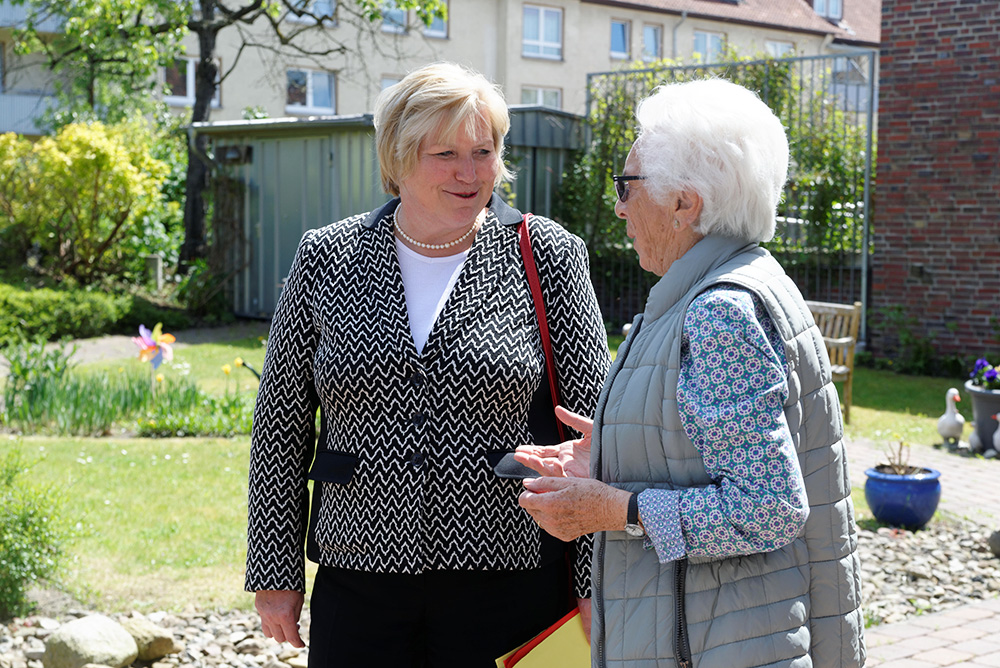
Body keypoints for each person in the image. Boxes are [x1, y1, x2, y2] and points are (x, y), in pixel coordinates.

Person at [244, 62, 611, 666]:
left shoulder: (548, 255)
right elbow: (280, 428)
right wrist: (274, 570)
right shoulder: (326, 258)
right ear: (398, 155)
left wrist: (593, 581)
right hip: (360, 572)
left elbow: (596, 434)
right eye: (445, 153)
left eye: (483, 151)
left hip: (512, 572)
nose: (469, 173)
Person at [516, 78, 866, 668]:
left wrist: (615, 508)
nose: (620, 206)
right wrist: (613, 457)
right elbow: (717, 452)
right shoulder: (735, 283)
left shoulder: (718, 311)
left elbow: (767, 509)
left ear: (685, 203)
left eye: (627, 187)